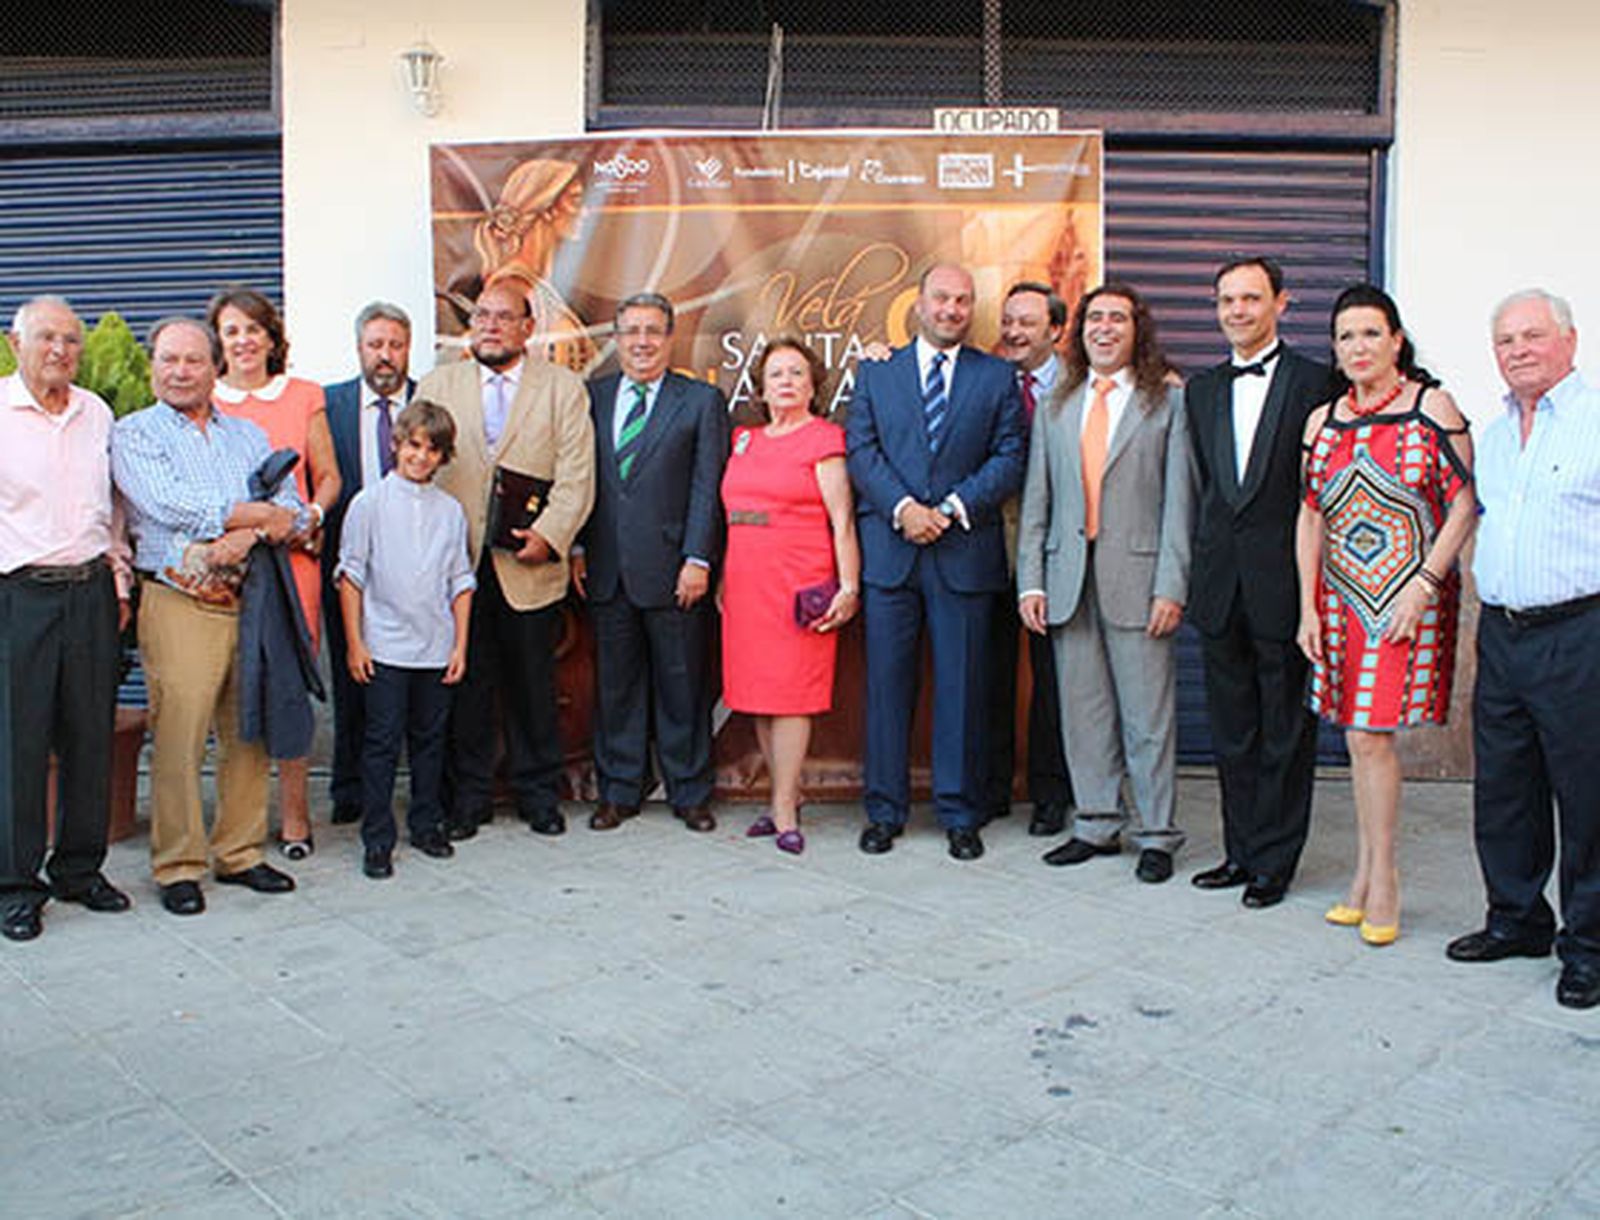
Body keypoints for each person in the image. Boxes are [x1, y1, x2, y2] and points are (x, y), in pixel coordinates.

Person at [1296, 285, 1475, 945]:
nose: (1359, 348)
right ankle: (1366, 876)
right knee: (1355, 737)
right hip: (1341, 598)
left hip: (1405, 602)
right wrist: (1306, 605)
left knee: (1373, 737)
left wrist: (1426, 583)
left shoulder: (1434, 409)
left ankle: (1385, 879)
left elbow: (1463, 503)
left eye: (1371, 333)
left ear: (1397, 340)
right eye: (1346, 336)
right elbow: (1310, 515)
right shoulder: (1323, 421)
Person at [112, 317, 305, 915]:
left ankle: (241, 852)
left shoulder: (247, 435)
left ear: (214, 367)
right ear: (153, 368)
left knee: (246, 730)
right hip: (179, 601)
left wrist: (245, 539)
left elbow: (290, 509)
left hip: (251, 599)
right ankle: (179, 865)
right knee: (180, 733)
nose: (180, 371)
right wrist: (256, 518)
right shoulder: (133, 434)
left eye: (193, 360)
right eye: (168, 360)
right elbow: (170, 504)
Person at [1447, 289, 1600, 1010]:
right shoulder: (1496, 433)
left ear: (1568, 341)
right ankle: (1516, 919)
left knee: (1587, 796)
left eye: (1533, 336)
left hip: (1581, 633)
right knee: (1505, 788)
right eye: (1505, 340)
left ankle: (1590, 947)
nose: (1518, 351)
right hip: (1504, 632)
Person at [845, 263, 1026, 861]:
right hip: (892, 555)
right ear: (918, 303)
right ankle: (884, 811)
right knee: (887, 691)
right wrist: (903, 509)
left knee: (962, 691)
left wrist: (949, 507)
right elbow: (861, 451)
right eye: (942, 298)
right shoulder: (877, 374)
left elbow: (1009, 456)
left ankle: (959, 812)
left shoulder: (996, 377)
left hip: (963, 552)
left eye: (963, 301)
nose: (952, 309)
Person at [1017, 283, 1194, 883]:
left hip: (1141, 580)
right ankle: (1094, 824)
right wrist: (1030, 582)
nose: (1105, 328)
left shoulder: (1165, 404)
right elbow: (1037, 499)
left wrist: (1172, 584)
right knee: (1084, 713)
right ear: (1080, 330)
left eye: (1118, 319)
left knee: (1148, 717)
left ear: (1136, 330)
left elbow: (1179, 504)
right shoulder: (1058, 404)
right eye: (1095, 318)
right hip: (1069, 578)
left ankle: (1155, 834)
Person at [1184, 257, 1333, 910]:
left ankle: (1275, 860)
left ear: (1281, 303)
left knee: (1284, 731)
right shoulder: (1202, 390)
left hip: (1285, 586)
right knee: (1231, 730)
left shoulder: (1317, 383)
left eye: (1250, 298)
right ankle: (1238, 850)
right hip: (1220, 584)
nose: (1237, 311)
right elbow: (1209, 491)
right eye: (1226, 300)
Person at [421, 281, 595, 839]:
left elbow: (577, 474)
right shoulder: (436, 384)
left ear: (528, 327)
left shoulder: (563, 389)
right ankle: (470, 797)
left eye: (504, 317)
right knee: (467, 686)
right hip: (456, 567)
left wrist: (549, 535)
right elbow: (415, 469)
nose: (491, 325)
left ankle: (538, 794)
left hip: (529, 564)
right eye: (483, 316)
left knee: (533, 687)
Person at [0, 296, 133, 941]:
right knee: (18, 746)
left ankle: (80, 870)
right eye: (47, 337)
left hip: (91, 593)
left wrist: (120, 573)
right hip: (18, 596)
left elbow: (108, 507)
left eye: (71, 340)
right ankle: (17, 887)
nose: (60, 350)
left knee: (89, 735)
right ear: (16, 342)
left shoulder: (96, 414)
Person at [572, 293, 728, 834]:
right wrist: (574, 548)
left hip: (675, 571)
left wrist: (698, 558)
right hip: (607, 568)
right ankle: (619, 791)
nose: (642, 341)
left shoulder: (701, 401)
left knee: (682, 687)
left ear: (670, 338)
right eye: (631, 331)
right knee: (616, 688)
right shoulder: (590, 398)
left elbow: (708, 487)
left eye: (653, 331)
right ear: (615, 339)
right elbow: (577, 480)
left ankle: (690, 793)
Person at [208, 287, 341, 860]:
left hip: (293, 567)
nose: (242, 340)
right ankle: (238, 821)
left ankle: (294, 817)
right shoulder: (203, 399)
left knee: (287, 689)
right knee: (229, 688)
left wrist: (310, 516)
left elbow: (328, 476)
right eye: (231, 330)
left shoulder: (304, 395)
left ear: (271, 337)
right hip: (229, 567)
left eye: (252, 329)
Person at [721, 337, 860, 854]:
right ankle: (785, 796)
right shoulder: (744, 441)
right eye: (776, 373)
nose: (786, 381)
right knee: (758, 695)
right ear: (760, 386)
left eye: (796, 373)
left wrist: (848, 587)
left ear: (812, 384)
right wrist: (721, 581)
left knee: (792, 697)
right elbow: (732, 516)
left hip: (799, 583)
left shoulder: (824, 439)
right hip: (745, 584)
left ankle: (782, 808)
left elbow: (843, 521)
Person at [337, 400, 475, 879]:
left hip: (435, 647)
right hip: (385, 646)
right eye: (413, 445)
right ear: (396, 444)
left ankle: (426, 823)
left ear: (443, 456)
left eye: (432, 449)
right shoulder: (368, 503)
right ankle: (378, 838)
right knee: (380, 743)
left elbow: (460, 580)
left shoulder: (450, 511)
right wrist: (356, 643)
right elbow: (351, 577)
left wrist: (459, 645)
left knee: (430, 741)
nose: (420, 456)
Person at [322, 302, 417, 829]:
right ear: (359, 347)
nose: (386, 356)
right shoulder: (328, 404)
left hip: (417, 572)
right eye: (375, 344)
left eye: (396, 345)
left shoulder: (429, 400)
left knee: (418, 681)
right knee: (350, 672)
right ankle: (349, 788)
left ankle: (422, 786)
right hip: (350, 568)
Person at [987, 281, 1075, 837]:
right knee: (989, 677)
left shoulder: (1084, 385)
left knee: (1055, 682)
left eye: (1027, 322)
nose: (1014, 332)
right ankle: (993, 788)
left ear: (1056, 330)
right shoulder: (990, 379)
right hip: (991, 552)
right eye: (1009, 321)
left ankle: (1051, 793)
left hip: (1056, 556)